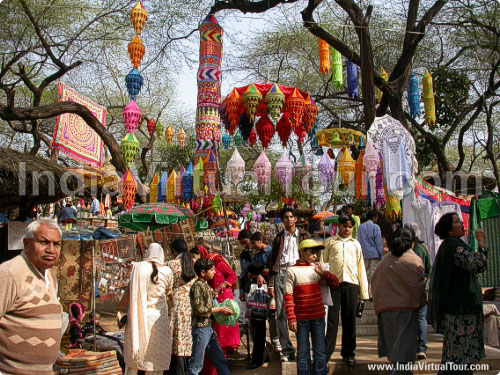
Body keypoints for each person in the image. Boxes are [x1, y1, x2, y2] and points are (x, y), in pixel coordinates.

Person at [0, 218, 63, 374]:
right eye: (44, 242)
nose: (51, 249)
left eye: (56, 244)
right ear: (27, 244)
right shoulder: (10, 273)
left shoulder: (50, 277)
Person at [427, 213, 488, 375]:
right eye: (456, 222)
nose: (462, 223)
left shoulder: (450, 246)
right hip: (462, 311)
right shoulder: (455, 247)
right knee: (461, 358)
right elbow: (478, 265)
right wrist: (481, 243)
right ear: (449, 231)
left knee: (452, 357)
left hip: (456, 309)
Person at [371, 228, 426, 374]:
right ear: (412, 243)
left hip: (386, 310)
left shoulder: (385, 260)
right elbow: (418, 286)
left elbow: (374, 281)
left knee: (395, 352)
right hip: (406, 310)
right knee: (403, 355)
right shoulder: (414, 260)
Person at [284, 239, 339, 375]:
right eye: (312, 252)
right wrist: (291, 318)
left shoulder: (317, 269)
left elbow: (335, 283)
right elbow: (288, 296)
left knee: (320, 351)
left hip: (318, 317)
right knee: (302, 352)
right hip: (301, 319)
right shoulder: (291, 271)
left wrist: (324, 273)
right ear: (302, 252)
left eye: (316, 253)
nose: (315, 256)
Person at [117, 243, 173, 375]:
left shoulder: (138, 269)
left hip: (138, 317)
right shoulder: (167, 271)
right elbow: (169, 293)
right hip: (158, 321)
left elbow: (128, 292)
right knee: (156, 356)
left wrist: (119, 309)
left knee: (137, 353)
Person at [321, 214, 369, 365]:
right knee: (332, 321)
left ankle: (349, 353)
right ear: (338, 226)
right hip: (334, 285)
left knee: (350, 320)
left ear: (352, 228)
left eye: (349, 227)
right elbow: (323, 263)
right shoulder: (329, 242)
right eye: (344, 226)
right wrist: (323, 282)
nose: (347, 229)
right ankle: (326, 352)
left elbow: (361, 267)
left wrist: (364, 292)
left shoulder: (355, 244)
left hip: (351, 284)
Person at [268, 208, 311, 362]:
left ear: (295, 219)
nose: (288, 220)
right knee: (281, 313)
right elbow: (272, 260)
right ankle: (287, 350)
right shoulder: (279, 238)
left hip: (299, 273)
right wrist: (270, 284)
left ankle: (303, 349)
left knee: (301, 310)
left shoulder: (304, 235)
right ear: (282, 220)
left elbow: (311, 255)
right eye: (285, 217)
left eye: (291, 217)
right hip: (281, 273)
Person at [191, 246, 240, 375]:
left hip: (208, 327)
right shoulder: (198, 287)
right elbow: (200, 309)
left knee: (218, 358)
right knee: (196, 364)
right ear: (203, 272)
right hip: (202, 327)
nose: (214, 273)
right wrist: (219, 309)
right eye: (211, 270)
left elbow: (231, 276)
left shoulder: (205, 284)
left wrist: (220, 288)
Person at [167, 239, 197, 375]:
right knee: (186, 336)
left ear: (174, 250)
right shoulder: (193, 263)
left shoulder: (171, 265)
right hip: (189, 303)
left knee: (175, 338)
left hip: (174, 303)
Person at [404, 222, 432, 360]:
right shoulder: (424, 248)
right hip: (421, 287)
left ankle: (410, 347)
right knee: (421, 318)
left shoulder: (403, 249)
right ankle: (421, 348)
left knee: (409, 319)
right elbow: (429, 268)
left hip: (406, 290)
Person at [357, 210, 384, 300]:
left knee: (364, 273)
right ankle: (372, 293)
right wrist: (381, 254)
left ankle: (364, 292)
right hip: (374, 254)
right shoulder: (375, 227)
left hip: (364, 253)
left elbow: (359, 240)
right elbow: (378, 242)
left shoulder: (360, 227)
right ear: (375, 218)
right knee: (373, 274)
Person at [238, 229, 253, 302]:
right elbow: (243, 274)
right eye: (241, 244)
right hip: (249, 289)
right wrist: (242, 291)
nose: (244, 246)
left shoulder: (263, 252)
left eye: (245, 242)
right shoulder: (243, 256)